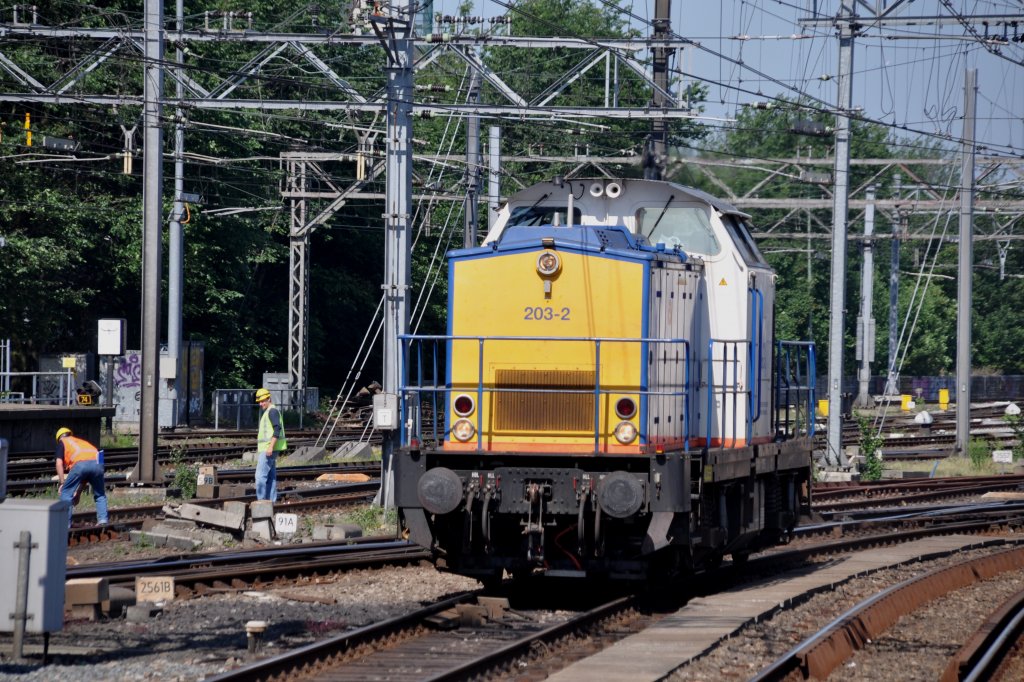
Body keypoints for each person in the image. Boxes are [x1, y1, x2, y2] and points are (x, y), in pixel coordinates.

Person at [55, 427, 108, 526]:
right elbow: (86, 475)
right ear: (70, 434)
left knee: (66, 493)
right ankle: (103, 520)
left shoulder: (63, 442)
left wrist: (62, 482)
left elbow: (59, 463)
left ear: (59, 438)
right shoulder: (81, 442)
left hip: (80, 465)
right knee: (100, 494)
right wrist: (78, 493)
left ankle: (65, 524)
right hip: (99, 463)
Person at [255, 387, 287, 502]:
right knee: (270, 476)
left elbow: (277, 429)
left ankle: (261, 502)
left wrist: (270, 446)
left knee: (260, 477)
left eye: (263, 401)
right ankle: (270, 502)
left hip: (269, 449)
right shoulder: (270, 411)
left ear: (269, 399)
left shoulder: (272, 411)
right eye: (259, 402)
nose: (261, 404)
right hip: (270, 448)